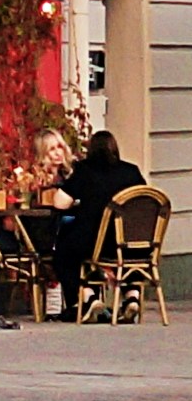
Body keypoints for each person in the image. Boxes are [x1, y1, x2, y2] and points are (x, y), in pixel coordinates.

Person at [52, 129, 147, 313]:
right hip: (132, 242)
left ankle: (88, 296)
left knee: (63, 251)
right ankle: (132, 297)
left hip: (94, 241)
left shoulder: (84, 170)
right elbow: (143, 203)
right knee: (129, 255)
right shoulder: (131, 172)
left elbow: (60, 203)